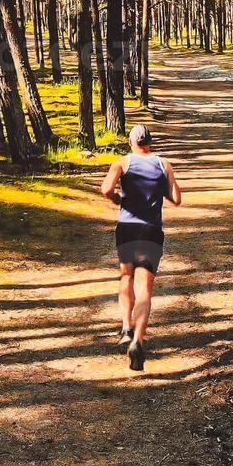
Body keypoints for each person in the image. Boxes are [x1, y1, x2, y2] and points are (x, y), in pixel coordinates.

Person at [100, 124, 182, 371]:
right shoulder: (162, 164)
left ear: (131, 142)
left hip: (127, 227)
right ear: (150, 141)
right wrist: (160, 189)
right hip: (151, 230)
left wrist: (118, 199)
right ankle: (138, 340)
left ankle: (126, 327)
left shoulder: (122, 163)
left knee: (126, 275)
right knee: (144, 287)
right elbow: (176, 198)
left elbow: (106, 189)